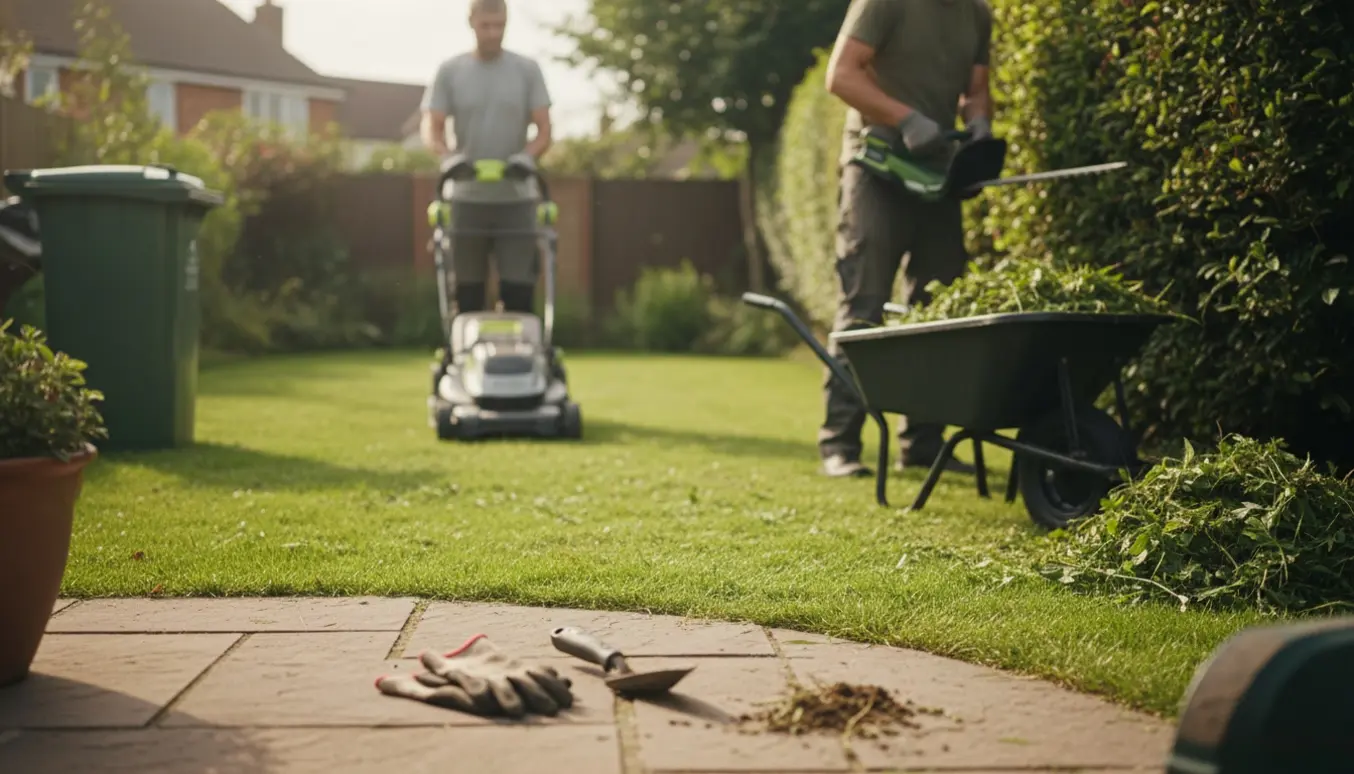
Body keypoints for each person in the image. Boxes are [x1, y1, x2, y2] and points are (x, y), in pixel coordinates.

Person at [816, 0, 994, 479]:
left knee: (939, 311)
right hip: (876, 166)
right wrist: (905, 119)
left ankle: (922, 444)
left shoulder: (977, 14)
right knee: (864, 303)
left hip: (937, 173)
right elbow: (842, 75)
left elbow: (975, 90)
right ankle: (840, 444)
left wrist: (979, 126)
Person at [420, 0, 553, 316]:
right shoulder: (451, 71)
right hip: (467, 200)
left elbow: (545, 129)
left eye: (500, 26)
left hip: (517, 200)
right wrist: (448, 158)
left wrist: (526, 157)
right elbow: (432, 126)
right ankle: (464, 357)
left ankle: (520, 360)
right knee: (466, 293)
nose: (494, 33)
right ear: (471, 23)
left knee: (519, 291)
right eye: (486, 26)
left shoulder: (527, 70)